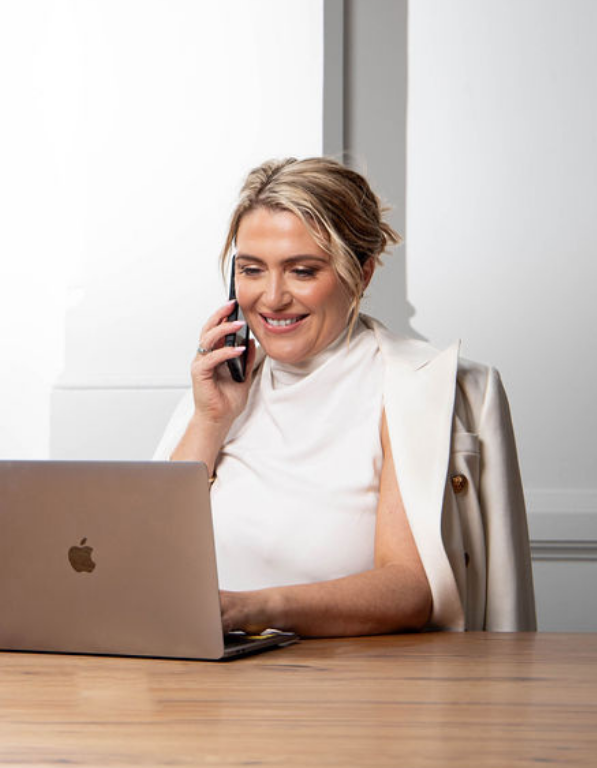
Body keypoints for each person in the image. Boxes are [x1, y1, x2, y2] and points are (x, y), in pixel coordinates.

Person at [153, 157, 535, 636]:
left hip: (358, 692)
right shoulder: (218, 392)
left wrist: (253, 610)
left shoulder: (413, 389)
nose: (271, 298)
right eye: (252, 270)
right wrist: (211, 421)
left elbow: (412, 588)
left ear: (362, 273)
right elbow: (150, 556)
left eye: (302, 271)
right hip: (209, 688)